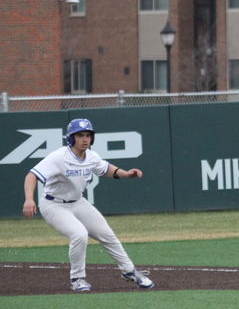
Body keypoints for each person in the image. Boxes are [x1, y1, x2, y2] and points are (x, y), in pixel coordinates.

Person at [22, 118, 154, 292]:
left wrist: (127, 174)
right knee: (79, 234)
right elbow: (31, 175)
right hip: (54, 205)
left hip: (78, 202)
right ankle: (77, 279)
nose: (85, 139)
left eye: (88, 135)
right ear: (71, 138)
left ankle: (129, 271)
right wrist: (29, 199)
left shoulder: (91, 156)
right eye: (80, 135)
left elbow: (107, 169)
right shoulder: (59, 157)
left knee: (107, 234)